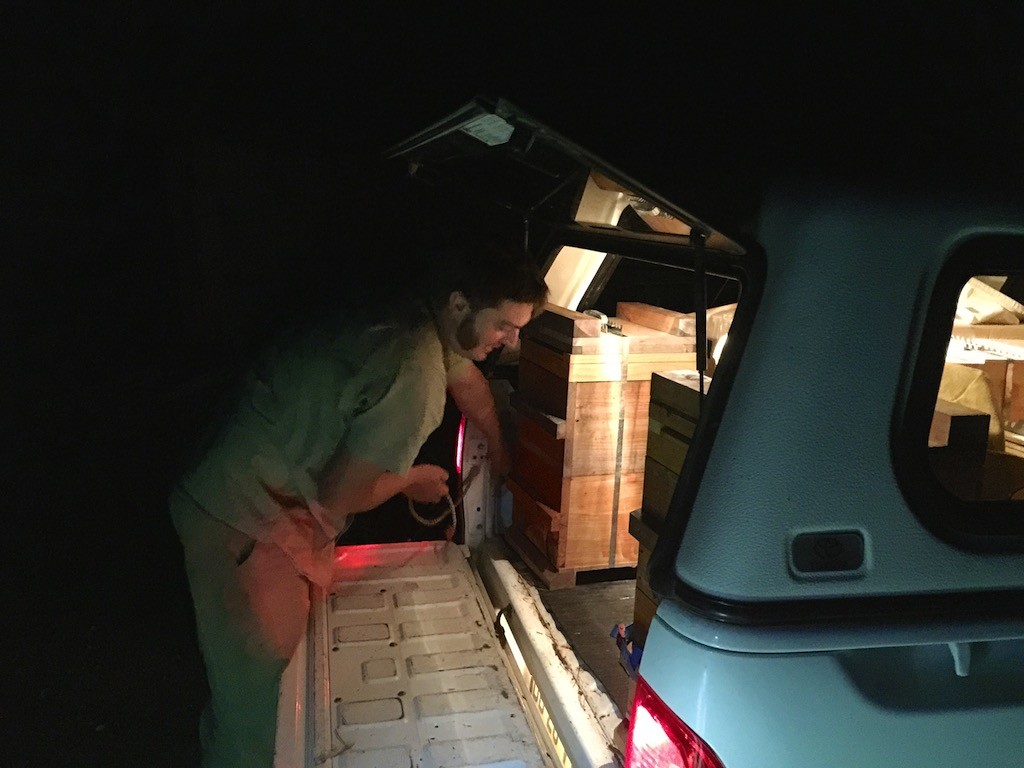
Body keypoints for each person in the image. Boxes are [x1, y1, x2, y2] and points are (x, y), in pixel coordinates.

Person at [169, 242, 548, 768]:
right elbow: (341, 494)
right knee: (260, 710)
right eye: (505, 325)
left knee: (268, 691)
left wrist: (504, 456)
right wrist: (410, 481)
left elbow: (470, 386)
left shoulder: (419, 316)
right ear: (460, 305)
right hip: (242, 518)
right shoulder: (415, 372)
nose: (512, 341)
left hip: (243, 477)